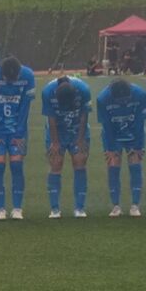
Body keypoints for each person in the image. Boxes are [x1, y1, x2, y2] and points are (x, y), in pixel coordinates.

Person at [0, 55, 35, 220]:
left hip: (17, 126)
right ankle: (0, 209)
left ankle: (17, 208)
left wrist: (19, 132)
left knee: (17, 165)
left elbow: (26, 106)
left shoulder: (28, 76)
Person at [95, 78, 146, 217]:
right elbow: (106, 125)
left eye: (126, 100)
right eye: (120, 101)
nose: (123, 103)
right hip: (113, 134)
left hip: (134, 132)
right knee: (113, 164)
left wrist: (138, 145)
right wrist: (110, 148)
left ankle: (135, 206)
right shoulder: (102, 98)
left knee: (135, 163)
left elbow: (140, 122)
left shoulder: (140, 95)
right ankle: (116, 206)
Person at [41, 74, 92, 219]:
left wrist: (80, 139)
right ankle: (55, 209)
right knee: (56, 162)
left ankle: (79, 208)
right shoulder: (47, 92)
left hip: (77, 128)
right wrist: (55, 142)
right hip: (57, 129)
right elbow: (51, 118)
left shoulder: (84, 90)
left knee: (79, 160)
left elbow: (84, 115)